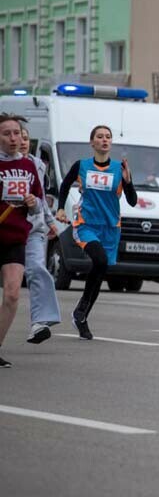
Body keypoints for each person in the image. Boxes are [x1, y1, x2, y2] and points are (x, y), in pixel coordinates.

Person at [55, 124, 138, 340]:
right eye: (100, 137)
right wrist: (61, 208)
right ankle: (81, 310)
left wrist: (128, 183)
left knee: (100, 271)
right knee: (99, 261)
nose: (104, 140)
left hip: (110, 228)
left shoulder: (120, 168)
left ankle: (81, 316)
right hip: (86, 225)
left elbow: (132, 201)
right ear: (92, 142)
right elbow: (64, 186)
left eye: (108, 137)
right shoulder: (81, 166)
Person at [0, 113, 44, 367]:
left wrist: (32, 202)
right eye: (7, 134)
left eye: (16, 133)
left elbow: (38, 202)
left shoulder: (28, 166)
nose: (14, 138)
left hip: (15, 237)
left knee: (13, 294)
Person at [19, 126, 61, 344]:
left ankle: (40, 322)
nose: (22, 141)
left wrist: (50, 222)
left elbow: (41, 197)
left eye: (26, 138)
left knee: (36, 269)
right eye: (17, 136)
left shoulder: (37, 166)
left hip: (33, 229)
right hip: (7, 230)